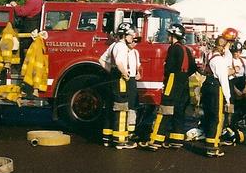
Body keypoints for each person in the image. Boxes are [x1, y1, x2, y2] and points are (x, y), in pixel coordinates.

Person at [141, 23, 197, 151]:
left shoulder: (173, 48)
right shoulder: (186, 49)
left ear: (173, 36)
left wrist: (169, 74)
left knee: (165, 109)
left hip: (173, 80)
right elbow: (193, 67)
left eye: (169, 35)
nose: (167, 37)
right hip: (184, 82)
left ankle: (155, 140)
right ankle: (176, 140)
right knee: (179, 110)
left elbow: (169, 67)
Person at [99, 22, 138, 149]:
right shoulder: (121, 47)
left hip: (113, 78)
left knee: (111, 106)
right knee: (122, 108)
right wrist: (124, 73)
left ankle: (107, 137)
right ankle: (120, 140)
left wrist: (111, 71)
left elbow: (102, 60)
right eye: (131, 35)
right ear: (125, 35)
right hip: (121, 79)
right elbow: (120, 62)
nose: (133, 37)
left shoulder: (113, 45)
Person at [201, 36, 233, 157]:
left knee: (210, 116)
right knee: (217, 117)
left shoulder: (210, 56)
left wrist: (227, 49)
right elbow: (223, 79)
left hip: (207, 85)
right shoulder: (219, 60)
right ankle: (212, 147)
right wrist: (228, 97)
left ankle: (209, 142)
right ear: (223, 47)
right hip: (216, 87)